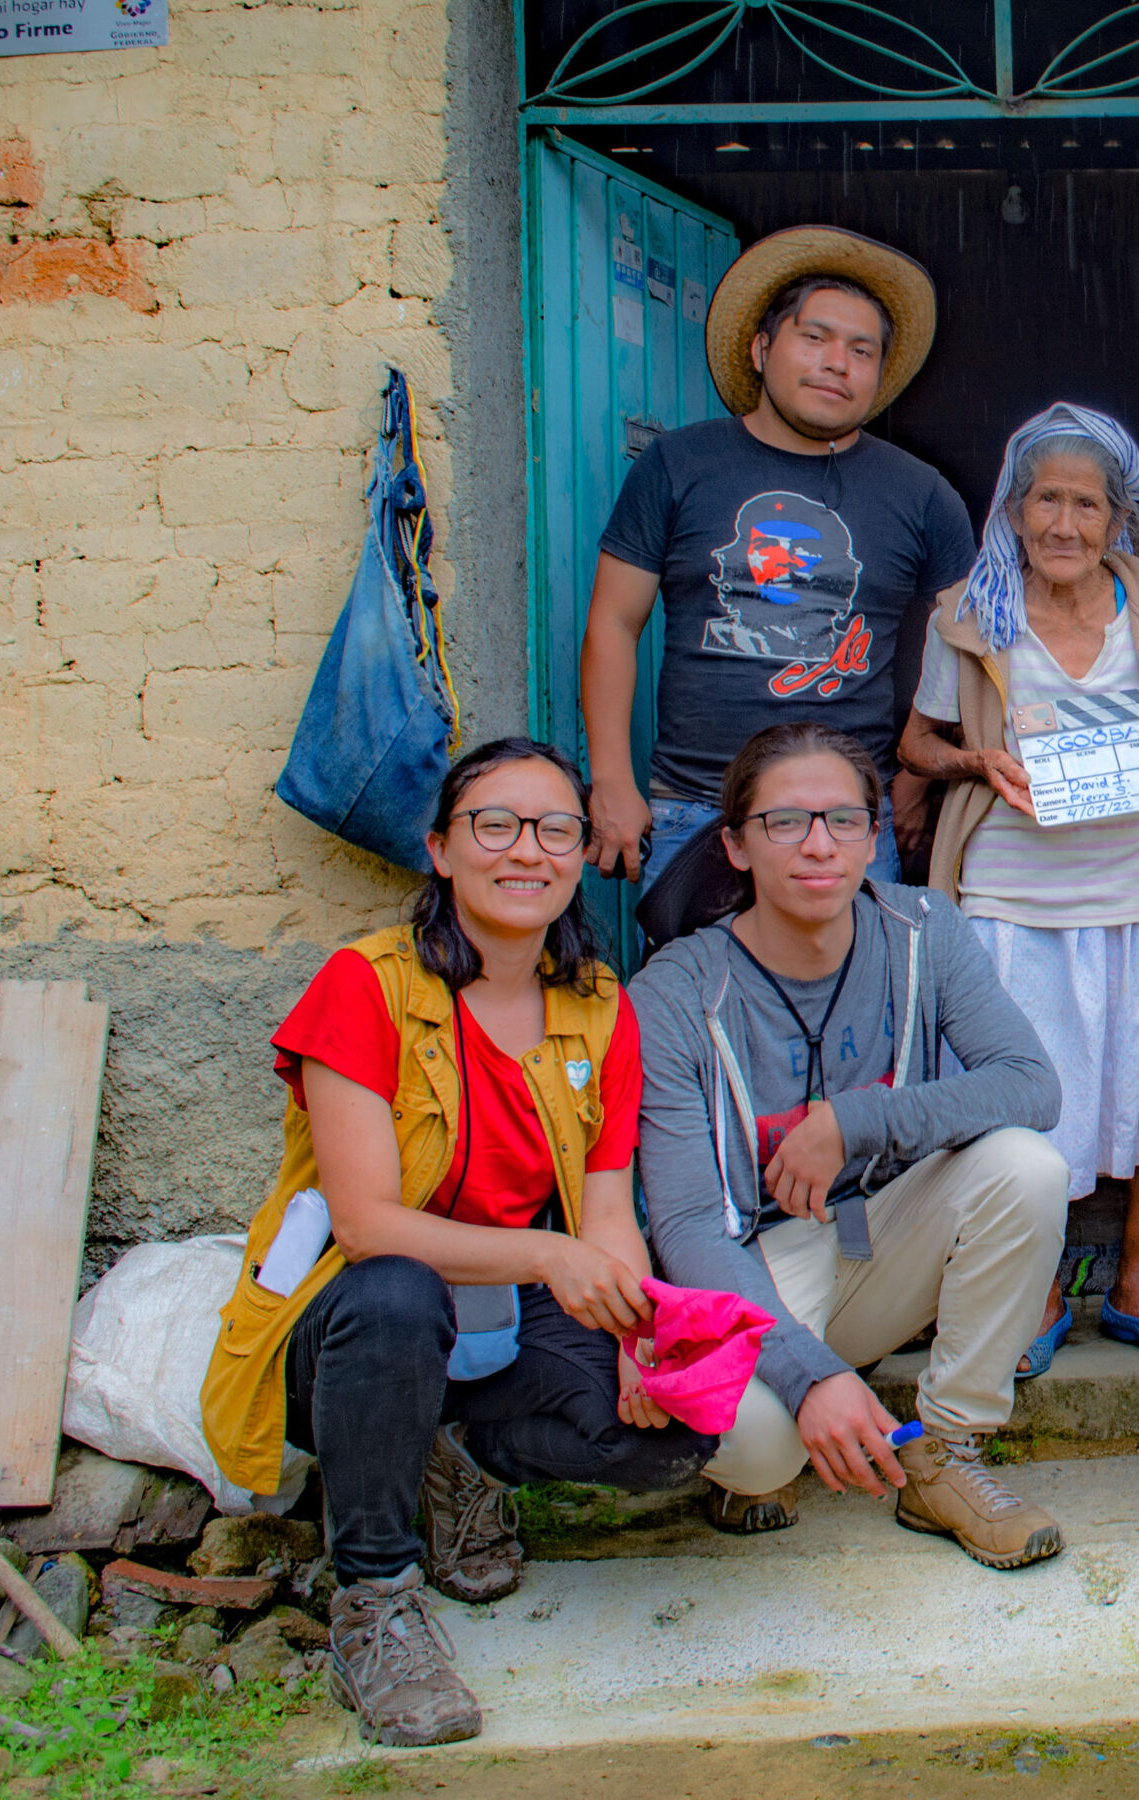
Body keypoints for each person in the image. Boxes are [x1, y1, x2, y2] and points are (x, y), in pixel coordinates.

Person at [203, 739, 715, 1750]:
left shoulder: (598, 1005)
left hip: (493, 1314)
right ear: (440, 849)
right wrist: (547, 1259)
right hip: (350, 1325)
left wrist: (632, 1332)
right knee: (398, 1291)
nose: (526, 851)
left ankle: (456, 1459)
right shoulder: (366, 985)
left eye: (555, 828)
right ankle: (376, 1600)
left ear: (579, 852)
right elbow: (364, 1225)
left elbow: (607, 1205)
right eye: (496, 825)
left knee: (678, 1433)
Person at [630, 721, 1074, 1568]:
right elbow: (687, 1225)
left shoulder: (922, 931)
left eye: (843, 820)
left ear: (875, 838)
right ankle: (806, 1392)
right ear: (734, 845)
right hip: (748, 1262)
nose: (817, 845)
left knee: (1025, 1167)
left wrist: (854, 1122)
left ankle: (946, 1450)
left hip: (877, 1232)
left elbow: (1030, 1084)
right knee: (761, 1455)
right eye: (785, 822)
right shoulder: (677, 990)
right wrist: (808, 1375)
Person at [900, 405, 1139, 1376]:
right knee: (1026, 1107)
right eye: (1044, 498)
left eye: (1084, 503)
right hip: (1016, 895)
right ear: (1013, 510)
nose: (1063, 522)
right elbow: (915, 744)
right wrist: (976, 758)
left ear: (1116, 516)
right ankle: (1040, 1294)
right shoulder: (970, 615)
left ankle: (1134, 1287)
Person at [581, 226, 976, 897]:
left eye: (861, 349)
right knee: (695, 999)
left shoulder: (923, 493)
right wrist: (613, 779)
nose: (837, 362)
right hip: (696, 805)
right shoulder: (678, 466)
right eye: (814, 338)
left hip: (851, 815)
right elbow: (614, 623)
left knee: (853, 1000)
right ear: (762, 348)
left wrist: (915, 779)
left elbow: (968, 647)